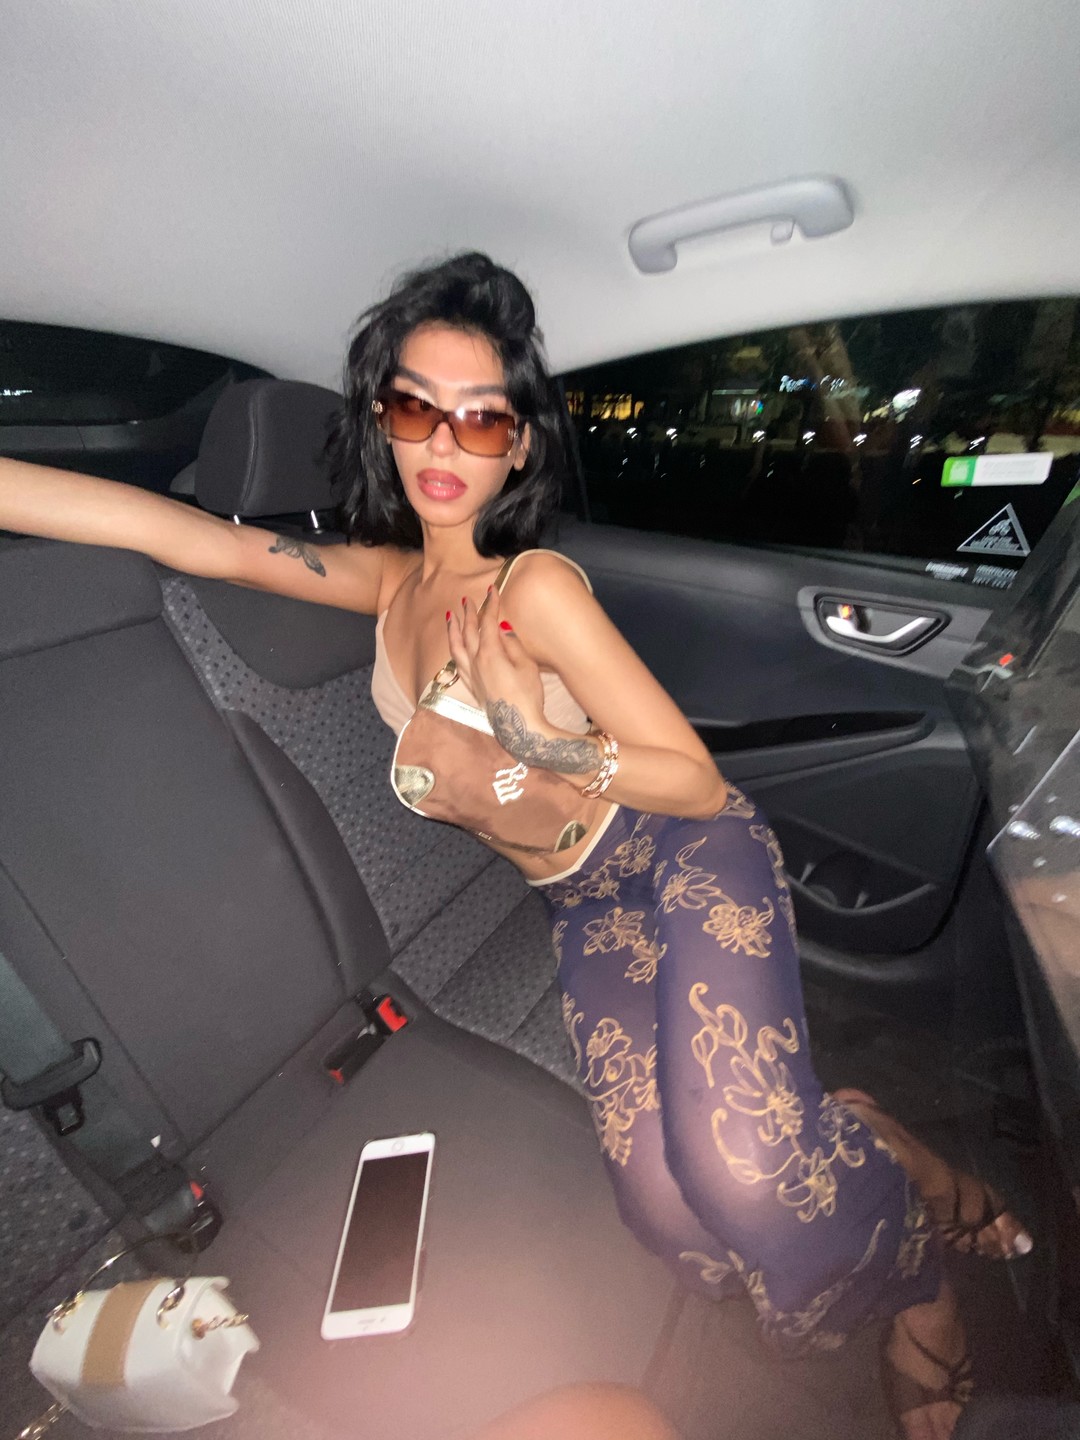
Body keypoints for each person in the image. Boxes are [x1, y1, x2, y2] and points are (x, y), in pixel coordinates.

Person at [0, 253, 1032, 1440]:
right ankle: (863, 1136)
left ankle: (926, 1279)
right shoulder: (386, 588)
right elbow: (193, 540)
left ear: (518, 446)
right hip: (583, 904)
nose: (445, 440)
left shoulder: (535, 590)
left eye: (482, 416)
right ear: (382, 421)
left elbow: (693, 778)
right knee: (669, 1215)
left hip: (683, 849)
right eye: (415, 406)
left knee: (747, 1170)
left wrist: (543, 749)